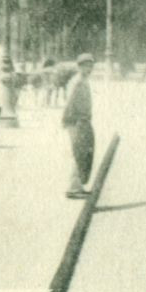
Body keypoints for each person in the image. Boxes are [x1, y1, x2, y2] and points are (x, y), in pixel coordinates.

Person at [62, 53, 97, 199]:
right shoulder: (77, 82)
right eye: (86, 66)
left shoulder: (83, 80)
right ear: (79, 66)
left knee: (82, 153)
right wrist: (68, 120)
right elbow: (69, 102)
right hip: (76, 121)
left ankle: (78, 186)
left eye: (90, 66)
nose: (89, 69)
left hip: (83, 120)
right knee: (79, 153)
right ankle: (73, 188)